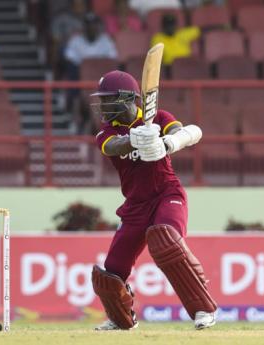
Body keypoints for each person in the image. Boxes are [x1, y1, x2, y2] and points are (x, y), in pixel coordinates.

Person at [90, 70, 218, 330]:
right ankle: (121, 319)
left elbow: (193, 132)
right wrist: (135, 140)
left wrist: (168, 143)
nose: (102, 105)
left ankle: (204, 310)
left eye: (107, 99)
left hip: (167, 195)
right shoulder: (106, 132)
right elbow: (114, 147)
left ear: (127, 99)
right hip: (135, 206)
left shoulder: (159, 118)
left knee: (165, 238)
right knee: (111, 272)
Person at [64, 12, 118, 133]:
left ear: (98, 26)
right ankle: (74, 115)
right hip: (82, 78)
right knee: (73, 72)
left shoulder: (106, 41)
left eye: (94, 25)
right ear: (84, 27)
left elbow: (112, 60)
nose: (91, 28)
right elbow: (69, 58)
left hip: (103, 80)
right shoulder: (76, 40)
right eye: (88, 25)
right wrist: (87, 66)